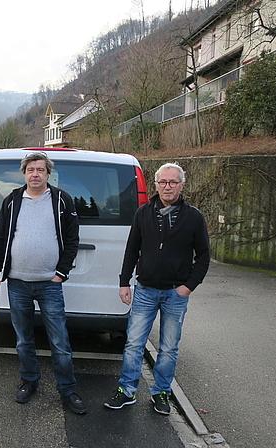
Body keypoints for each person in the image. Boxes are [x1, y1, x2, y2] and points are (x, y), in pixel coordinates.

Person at [104, 162, 211, 415]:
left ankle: (161, 392)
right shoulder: (143, 213)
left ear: (182, 185)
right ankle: (126, 390)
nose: (167, 187)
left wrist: (189, 286)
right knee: (133, 343)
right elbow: (132, 250)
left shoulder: (194, 217)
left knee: (169, 347)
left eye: (173, 182)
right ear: (156, 185)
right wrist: (123, 282)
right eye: (163, 182)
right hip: (145, 290)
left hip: (176, 293)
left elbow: (204, 256)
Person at [0, 152, 86, 415]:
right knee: (23, 340)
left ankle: (67, 390)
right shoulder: (11, 201)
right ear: (24, 173)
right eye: (31, 169)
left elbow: (72, 239)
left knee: (60, 342)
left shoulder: (61, 200)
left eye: (40, 170)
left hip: (49, 284)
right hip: (17, 282)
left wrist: (61, 273)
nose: (35, 174)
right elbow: (0, 239)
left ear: (47, 173)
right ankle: (29, 382)